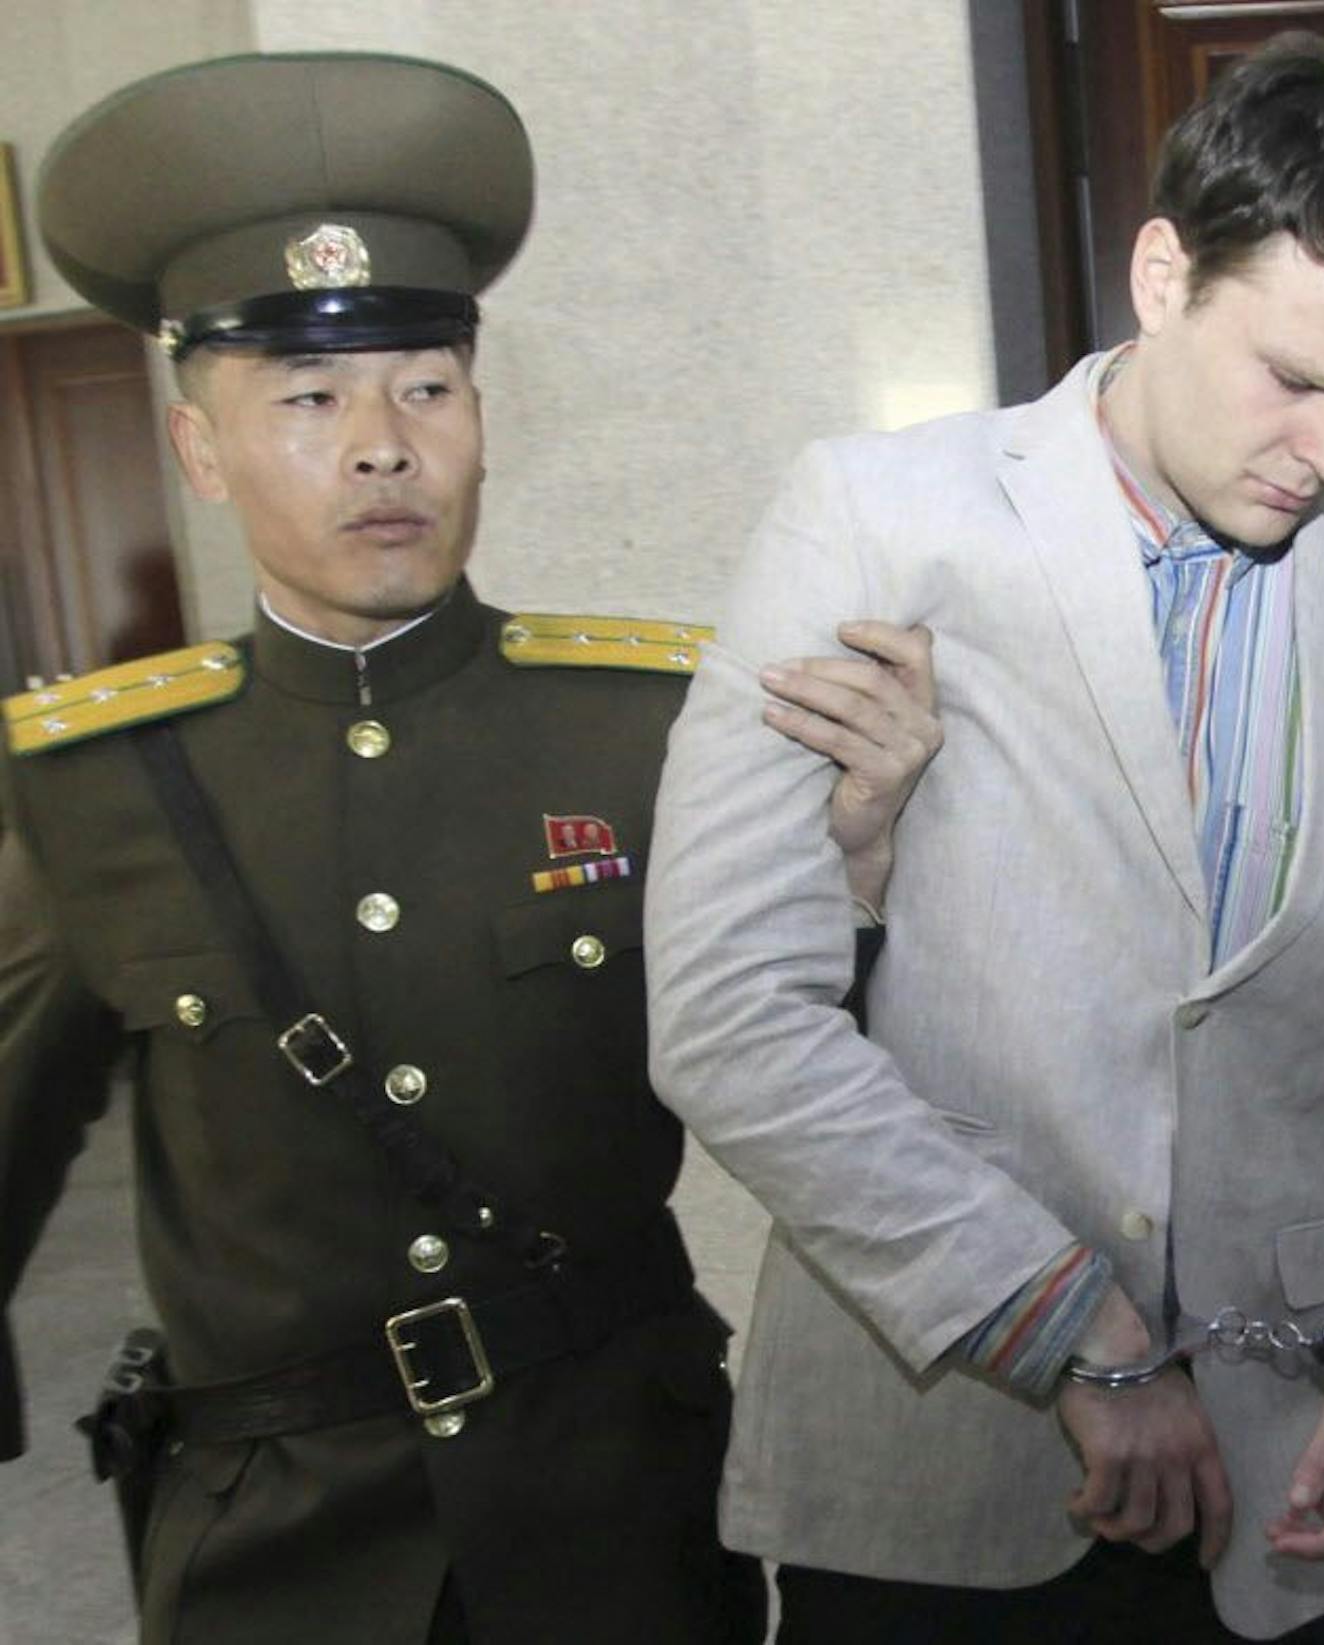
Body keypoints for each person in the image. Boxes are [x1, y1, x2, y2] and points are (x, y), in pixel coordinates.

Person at [643, 34, 1324, 1643]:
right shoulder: (881, 520)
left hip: (1300, 1487)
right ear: (1159, 274)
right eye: (1293, 377)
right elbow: (728, 1009)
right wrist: (1078, 1329)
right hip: (940, 1471)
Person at [0, 52, 941, 1644]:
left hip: (614, 1513)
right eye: (308, 398)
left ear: (481, 422)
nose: (383, 445)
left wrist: (860, 872)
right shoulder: (95, 784)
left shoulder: (651, 724)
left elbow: (822, 1075)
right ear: (199, 451)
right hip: (274, 1556)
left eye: (426, 387)